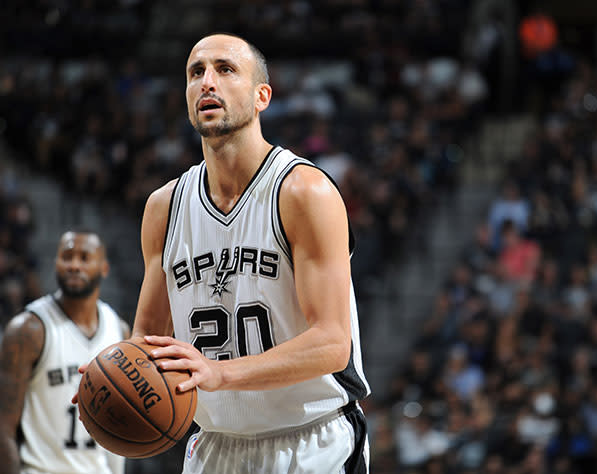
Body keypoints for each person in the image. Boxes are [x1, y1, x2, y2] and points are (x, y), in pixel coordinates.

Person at [123, 33, 370, 473]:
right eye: (195, 72)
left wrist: (221, 374)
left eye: (225, 69)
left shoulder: (302, 191)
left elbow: (333, 343)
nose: (207, 82)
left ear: (262, 97)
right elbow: (146, 341)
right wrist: (115, 374)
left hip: (312, 444)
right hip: (214, 447)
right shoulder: (164, 207)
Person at [0, 229, 129, 474]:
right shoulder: (28, 330)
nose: (73, 265)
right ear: (56, 262)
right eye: (66, 257)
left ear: (104, 268)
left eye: (84, 258)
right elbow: (3, 427)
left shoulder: (119, 331)